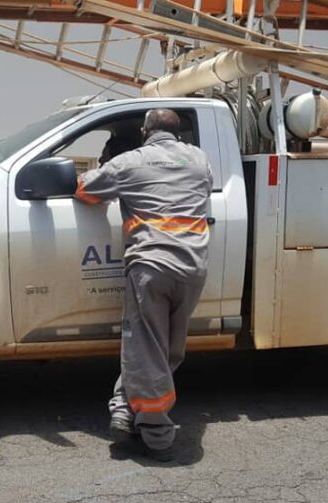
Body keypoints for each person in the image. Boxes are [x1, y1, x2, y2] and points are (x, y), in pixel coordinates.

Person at [74, 109, 213, 461]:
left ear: (144, 131)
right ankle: (123, 408)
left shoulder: (131, 162)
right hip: (193, 267)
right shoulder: (199, 159)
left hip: (153, 265)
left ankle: (157, 435)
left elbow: (86, 191)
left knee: (145, 348)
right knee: (165, 350)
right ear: (178, 131)